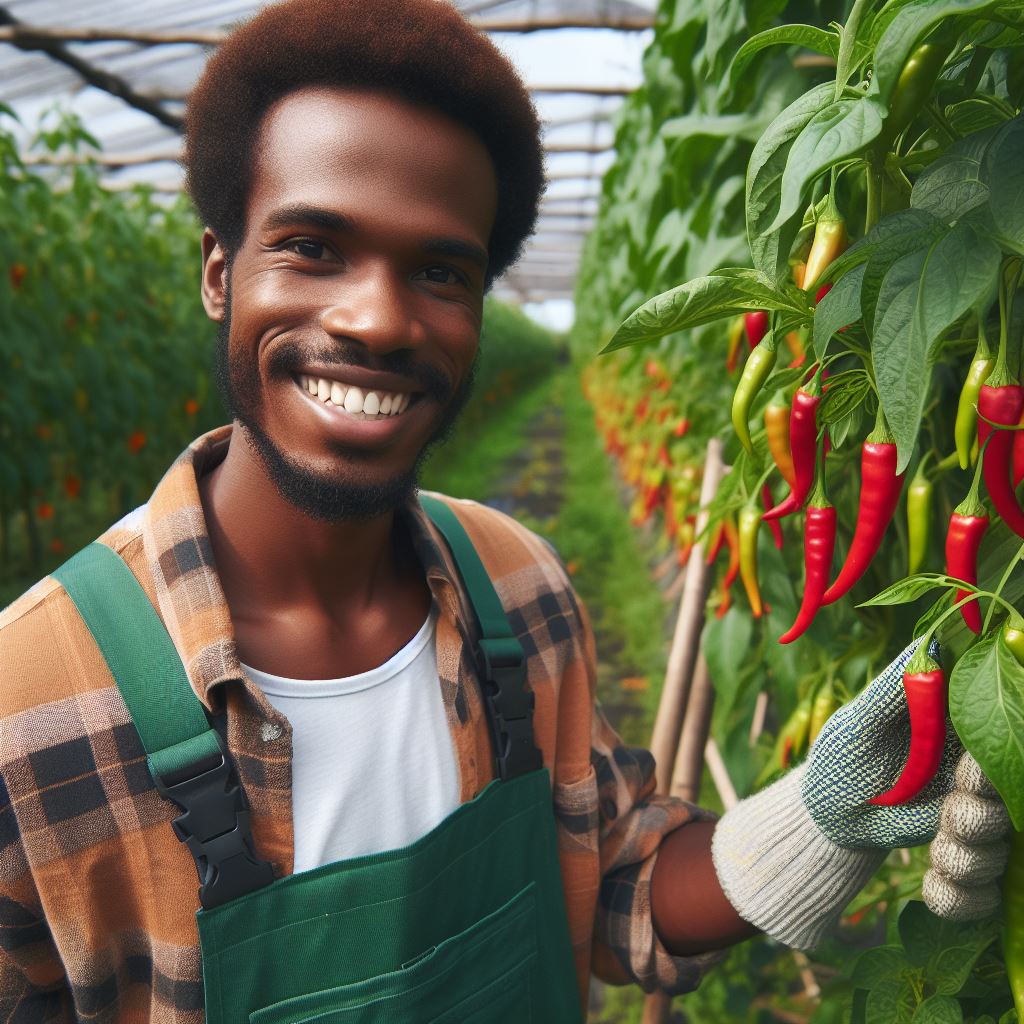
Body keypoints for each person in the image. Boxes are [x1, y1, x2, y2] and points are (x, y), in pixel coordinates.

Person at [0, 1, 1010, 1021]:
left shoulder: (515, 586)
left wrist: (821, 816)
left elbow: (614, 886)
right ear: (219, 272)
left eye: (440, 271)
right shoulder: (32, 701)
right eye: (312, 246)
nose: (379, 318)